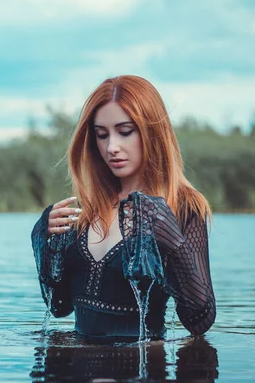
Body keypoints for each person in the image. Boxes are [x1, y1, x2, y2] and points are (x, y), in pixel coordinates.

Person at [31, 75, 216, 341]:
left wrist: (172, 240)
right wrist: (42, 241)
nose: (111, 147)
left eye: (125, 131)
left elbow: (200, 321)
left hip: (141, 369)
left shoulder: (185, 207)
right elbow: (60, 307)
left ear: (152, 132)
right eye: (102, 135)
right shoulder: (86, 209)